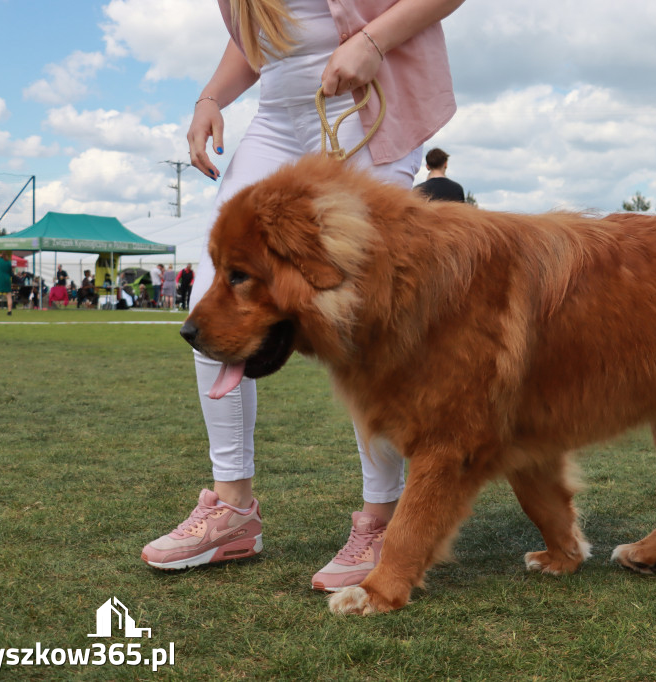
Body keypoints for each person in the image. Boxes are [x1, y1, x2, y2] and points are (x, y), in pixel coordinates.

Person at [141, 0, 461, 593]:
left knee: (366, 315)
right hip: (277, 116)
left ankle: (383, 518)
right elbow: (262, 33)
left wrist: (373, 40)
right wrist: (210, 98)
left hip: (363, 102)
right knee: (216, 303)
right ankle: (234, 509)